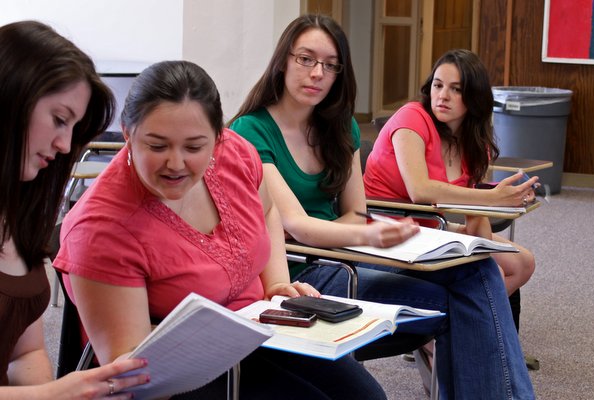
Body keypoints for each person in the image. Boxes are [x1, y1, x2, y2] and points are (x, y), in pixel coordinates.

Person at [229, 14, 535, 399]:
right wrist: (367, 233)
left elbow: (356, 211)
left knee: (478, 271)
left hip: (347, 251)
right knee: (462, 301)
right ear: (283, 60)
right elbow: (298, 225)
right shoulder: (251, 129)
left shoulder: (341, 128)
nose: (317, 73)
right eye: (305, 59)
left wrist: (358, 234)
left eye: (329, 65)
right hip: (304, 268)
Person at [54, 59, 387, 399]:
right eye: (157, 146)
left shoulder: (235, 153)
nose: (176, 163)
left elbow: (268, 210)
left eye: (195, 147)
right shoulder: (101, 228)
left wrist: (275, 283)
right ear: (127, 132)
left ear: (218, 136)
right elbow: (135, 371)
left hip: (256, 330)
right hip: (181, 371)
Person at [0, 20, 149, 398]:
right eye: (59, 119)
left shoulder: (19, 214)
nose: (66, 144)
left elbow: (25, 352)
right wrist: (55, 394)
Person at [363, 48, 536, 296]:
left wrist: (499, 205)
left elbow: (475, 221)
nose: (443, 96)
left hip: (430, 227)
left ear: (473, 97)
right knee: (489, 277)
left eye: (456, 89)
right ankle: (462, 322)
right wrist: (494, 198)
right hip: (383, 229)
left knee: (523, 263)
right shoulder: (412, 117)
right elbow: (420, 191)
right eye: (438, 85)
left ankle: (461, 323)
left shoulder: (475, 146)